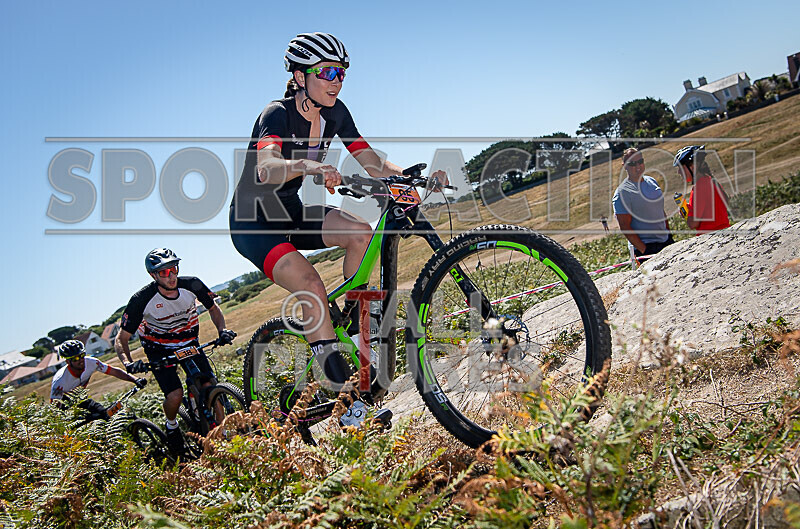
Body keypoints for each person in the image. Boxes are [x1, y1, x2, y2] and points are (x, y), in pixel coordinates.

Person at [229, 33, 445, 427]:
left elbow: (371, 162)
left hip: (290, 211)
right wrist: (308, 166)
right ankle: (346, 401)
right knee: (310, 284)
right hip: (254, 222)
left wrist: (413, 177)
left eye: (341, 73)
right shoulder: (276, 114)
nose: (336, 81)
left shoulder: (336, 112)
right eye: (327, 72)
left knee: (360, 232)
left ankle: (353, 326)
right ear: (300, 76)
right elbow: (266, 167)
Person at [114, 248, 236, 452]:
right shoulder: (141, 299)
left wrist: (222, 330)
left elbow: (213, 308)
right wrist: (128, 363)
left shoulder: (192, 284)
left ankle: (223, 434)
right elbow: (121, 338)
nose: (171, 276)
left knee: (209, 384)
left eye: (174, 269)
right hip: (159, 349)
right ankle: (172, 425)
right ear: (153, 275)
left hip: (189, 342)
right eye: (164, 272)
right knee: (175, 395)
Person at [51, 339, 147, 420]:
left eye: (82, 355)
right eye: (75, 358)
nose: (80, 360)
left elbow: (114, 371)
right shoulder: (60, 381)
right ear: (68, 361)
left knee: (106, 415)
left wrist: (135, 380)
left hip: (81, 399)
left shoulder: (92, 362)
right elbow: (54, 408)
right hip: (66, 406)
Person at [612, 148, 674, 258]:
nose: (638, 166)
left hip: (666, 240)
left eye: (640, 161)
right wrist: (644, 250)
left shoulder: (651, 181)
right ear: (624, 166)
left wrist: (668, 233)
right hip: (647, 247)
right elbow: (625, 226)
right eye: (632, 163)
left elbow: (660, 210)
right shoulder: (622, 193)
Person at [673, 145, 730, 234]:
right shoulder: (710, 181)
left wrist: (685, 213)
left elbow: (693, 224)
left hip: (711, 235)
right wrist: (688, 209)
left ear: (693, 166)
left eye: (681, 168)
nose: (679, 172)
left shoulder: (700, 187)